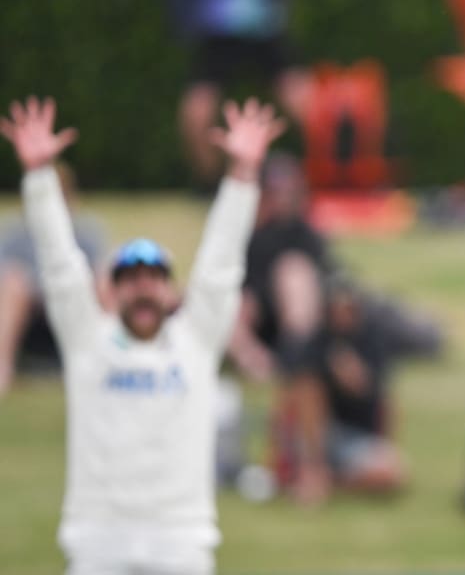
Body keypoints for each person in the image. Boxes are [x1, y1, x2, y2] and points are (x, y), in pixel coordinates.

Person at [0, 95, 284, 575]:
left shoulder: (195, 342)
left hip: (181, 544)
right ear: (111, 292)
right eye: (130, 280)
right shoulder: (87, 340)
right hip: (97, 544)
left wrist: (242, 176)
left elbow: (220, 265)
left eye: (154, 278)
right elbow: (58, 264)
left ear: (171, 291)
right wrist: (40, 178)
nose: (143, 290)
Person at [141, 0, 311, 189]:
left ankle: (332, 174)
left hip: (263, 21)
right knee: (197, 112)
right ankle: (210, 187)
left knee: (304, 99)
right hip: (214, 28)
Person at [271, 274, 444, 498]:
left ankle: (330, 480)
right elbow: (293, 392)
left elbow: (383, 401)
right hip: (317, 438)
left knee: (392, 474)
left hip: (357, 437)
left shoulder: (372, 342)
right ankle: (313, 469)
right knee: (309, 387)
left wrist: (357, 381)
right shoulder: (314, 345)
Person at [226, 151, 334, 503]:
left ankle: (295, 354)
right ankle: (261, 358)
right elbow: (241, 295)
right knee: (240, 305)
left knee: (294, 275)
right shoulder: (254, 239)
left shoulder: (307, 237)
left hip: (300, 332)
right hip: (261, 328)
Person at [0, 162, 109, 395]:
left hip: (77, 309)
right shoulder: (14, 234)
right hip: (30, 313)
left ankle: (110, 363)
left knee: (104, 279)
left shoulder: (87, 233)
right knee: (14, 283)